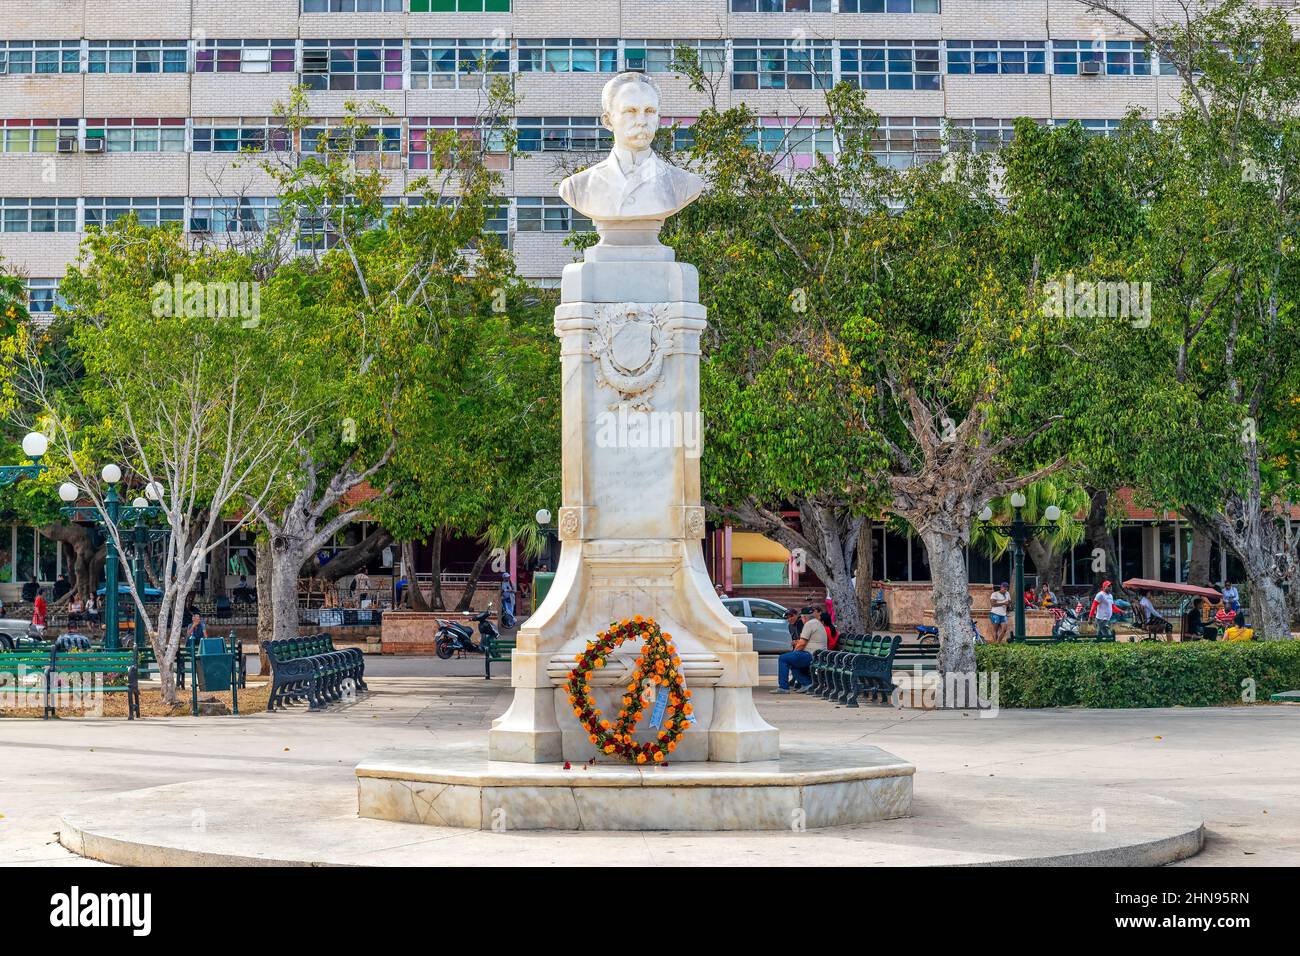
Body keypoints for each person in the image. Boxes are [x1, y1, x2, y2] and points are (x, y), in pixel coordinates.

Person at [774, 607, 826, 694]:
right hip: (818, 655)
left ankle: (783, 687)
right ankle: (807, 683)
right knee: (792, 661)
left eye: (801, 618)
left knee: (783, 658)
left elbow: (802, 643)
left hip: (811, 655)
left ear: (804, 617)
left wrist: (794, 653)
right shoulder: (817, 623)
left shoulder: (809, 624)